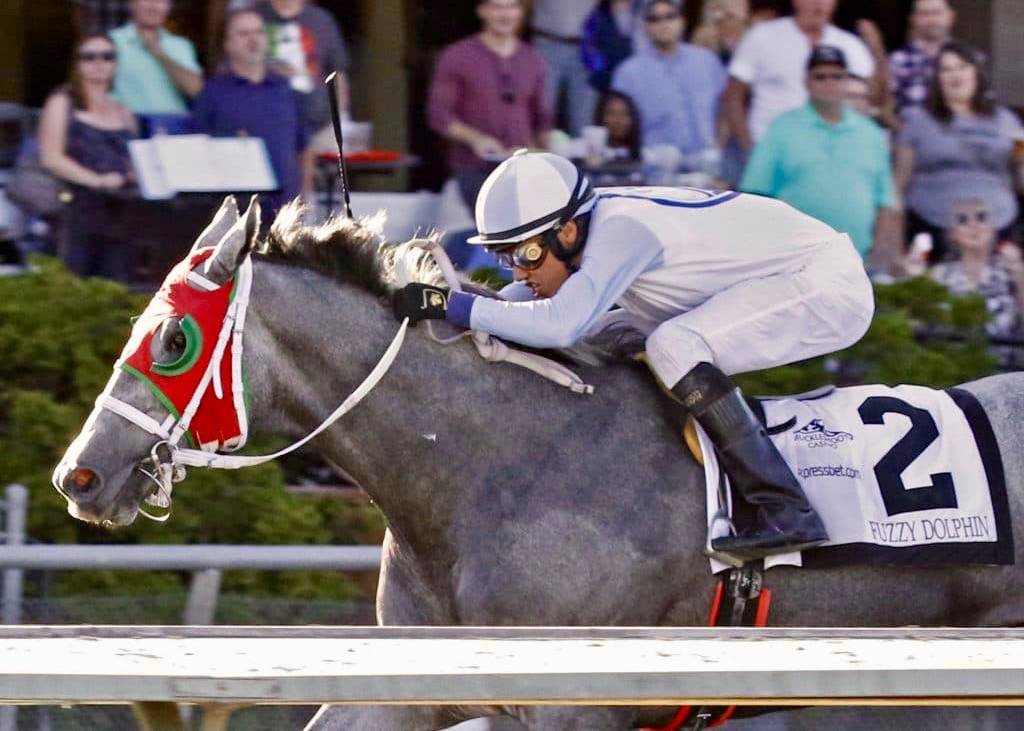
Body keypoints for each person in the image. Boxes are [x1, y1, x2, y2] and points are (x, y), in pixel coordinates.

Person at [391, 150, 875, 559]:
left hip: (825, 285)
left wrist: (453, 306)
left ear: (569, 233)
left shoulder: (623, 232)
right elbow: (518, 308)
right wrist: (437, 298)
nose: (518, 273)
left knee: (673, 346)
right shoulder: (591, 226)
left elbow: (559, 320)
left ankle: (786, 508)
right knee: (606, 334)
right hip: (764, 281)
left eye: (527, 255)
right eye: (506, 257)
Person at [740, 46, 896, 260]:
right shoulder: (782, 128)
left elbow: (886, 201)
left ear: (846, 81)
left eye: (837, 76)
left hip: (858, 260)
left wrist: (881, 253)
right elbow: (755, 194)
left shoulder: (871, 133)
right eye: (820, 76)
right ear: (807, 82)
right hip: (794, 258)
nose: (829, 82)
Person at [894, 40, 1024, 264]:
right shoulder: (917, 121)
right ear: (937, 79)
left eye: (962, 66)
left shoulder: (1008, 122)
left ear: (976, 72)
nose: (955, 75)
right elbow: (899, 184)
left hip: (999, 229)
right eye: (946, 69)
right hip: (931, 229)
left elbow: (1021, 170)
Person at [427, 0, 551, 209]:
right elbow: (439, 115)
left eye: (512, 7)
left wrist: (537, 150)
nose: (505, 15)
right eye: (497, 7)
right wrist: (476, 139)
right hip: (474, 170)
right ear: (482, 11)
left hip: (520, 169)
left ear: (521, 12)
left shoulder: (532, 59)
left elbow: (542, 119)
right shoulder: (457, 56)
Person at [191, 9, 312, 218]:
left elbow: (304, 148)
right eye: (244, 33)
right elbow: (197, 150)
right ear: (227, 44)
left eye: (259, 32)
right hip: (234, 215)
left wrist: (306, 199)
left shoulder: (285, 89)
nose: (253, 39)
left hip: (285, 212)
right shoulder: (212, 92)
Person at [38, 33, 137, 279]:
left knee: (117, 286)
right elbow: (52, 158)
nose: (98, 63)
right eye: (89, 57)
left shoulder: (123, 111)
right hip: (76, 212)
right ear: (77, 64)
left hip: (120, 213)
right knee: (76, 286)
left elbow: (134, 161)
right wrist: (97, 180)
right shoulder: (63, 101)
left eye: (107, 56)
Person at [722, 0, 875, 152]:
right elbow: (733, 97)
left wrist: (876, 47)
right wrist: (749, 149)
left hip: (829, 155)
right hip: (769, 149)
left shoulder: (850, 45)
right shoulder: (762, 36)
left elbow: (873, 97)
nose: (819, 4)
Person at [611, 0, 726, 162]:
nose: (663, 24)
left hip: (708, 162)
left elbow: (726, 108)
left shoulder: (707, 61)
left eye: (670, 16)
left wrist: (718, 147)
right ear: (645, 27)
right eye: (654, 19)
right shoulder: (628, 72)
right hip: (654, 166)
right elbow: (616, 125)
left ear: (682, 21)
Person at [926, 198, 1024, 361]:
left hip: (1005, 367)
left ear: (993, 227)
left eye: (981, 217)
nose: (973, 225)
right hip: (954, 367)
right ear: (952, 233)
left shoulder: (1012, 270)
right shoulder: (938, 274)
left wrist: (1021, 278)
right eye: (962, 220)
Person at [256, 0, 350, 143]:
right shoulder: (252, 17)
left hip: (319, 128)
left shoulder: (322, 21)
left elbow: (338, 74)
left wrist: (341, 120)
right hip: (264, 126)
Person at [109, 0, 203, 115]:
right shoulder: (112, 42)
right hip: (128, 127)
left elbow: (197, 90)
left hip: (176, 127)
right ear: (131, 3)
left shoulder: (182, 45)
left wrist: (159, 54)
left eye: (161, 1)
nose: (153, 6)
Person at [531, 0, 599, 136]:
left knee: (583, 119)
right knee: (543, 112)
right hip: (546, 42)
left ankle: (582, 157)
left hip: (584, 48)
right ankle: (536, 156)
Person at [889, 0, 956, 114]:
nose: (932, 20)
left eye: (937, 13)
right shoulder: (897, 61)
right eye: (925, 14)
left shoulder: (970, 60)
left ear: (950, 16)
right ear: (913, 19)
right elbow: (888, 108)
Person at [581, 0, 643, 94]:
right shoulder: (597, 18)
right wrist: (602, 68)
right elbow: (587, 51)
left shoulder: (643, 15)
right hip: (606, 86)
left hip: (636, 85)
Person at [690, 0, 749, 65]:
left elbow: (742, 16)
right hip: (712, 53)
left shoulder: (750, 35)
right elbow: (709, 18)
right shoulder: (704, 34)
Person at [595, 90, 642, 160]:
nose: (618, 120)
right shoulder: (580, 152)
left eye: (624, 114)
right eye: (612, 113)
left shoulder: (646, 156)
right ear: (600, 116)